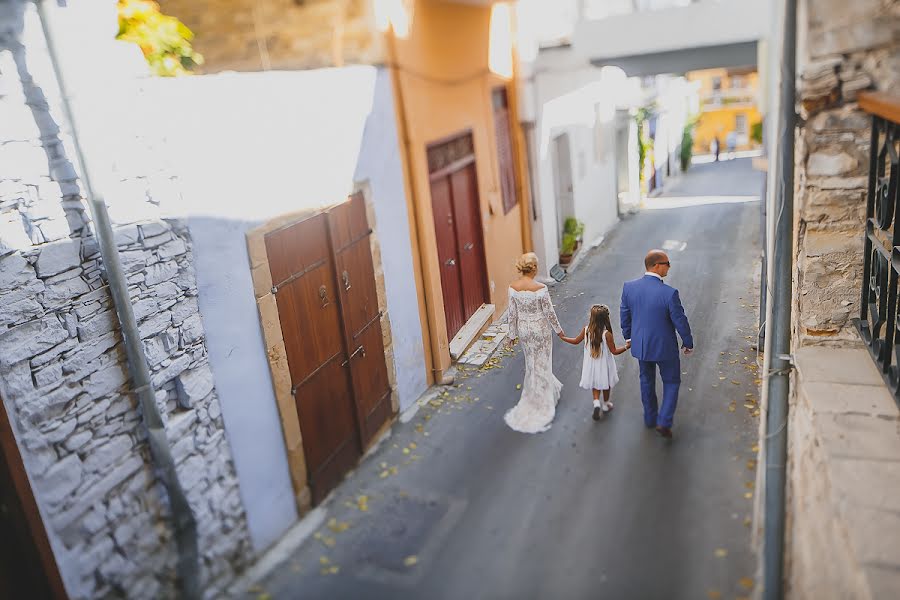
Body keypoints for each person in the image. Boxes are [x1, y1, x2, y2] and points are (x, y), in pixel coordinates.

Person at [620, 250, 694, 438]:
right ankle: (664, 421)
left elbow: (625, 315)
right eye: (667, 263)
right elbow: (680, 320)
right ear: (656, 265)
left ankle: (650, 419)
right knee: (671, 381)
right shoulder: (669, 294)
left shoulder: (629, 288)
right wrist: (687, 342)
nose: (669, 266)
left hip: (641, 347)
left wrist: (629, 338)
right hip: (665, 348)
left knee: (646, 380)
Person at [504, 252, 567, 433]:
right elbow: (549, 313)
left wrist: (511, 335)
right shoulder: (540, 288)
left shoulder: (512, 287)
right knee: (543, 362)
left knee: (530, 363)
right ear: (534, 268)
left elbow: (512, 314)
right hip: (540, 330)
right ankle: (543, 401)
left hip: (524, 331)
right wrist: (559, 331)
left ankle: (533, 396)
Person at [561, 304, 630, 421]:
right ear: (605, 319)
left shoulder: (586, 330)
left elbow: (575, 341)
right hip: (605, 365)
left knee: (595, 383)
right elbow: (614, 351)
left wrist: (563, 337)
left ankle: (596, 402)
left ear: (592, 317)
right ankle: (606, 404)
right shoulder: (606, 334)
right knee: (606, 384)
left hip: (591, 365)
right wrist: (627, 347)